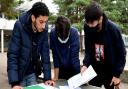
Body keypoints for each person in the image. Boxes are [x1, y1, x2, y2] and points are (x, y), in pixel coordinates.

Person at [7, 2, 54, 89]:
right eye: (41, 21)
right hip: (19, 74)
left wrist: (47, 78)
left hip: (33, 73)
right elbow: (12, 55)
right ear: (33, 18)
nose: (44, 26)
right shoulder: (19, 26)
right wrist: (14, 82)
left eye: (45, 22)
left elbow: (45, 55)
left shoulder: (44, 29)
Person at [81, 2, 126, 89]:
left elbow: (122, 53)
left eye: (92, 23)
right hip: (94, 69)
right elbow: (89, 49)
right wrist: (85, 64)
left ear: (100, 18)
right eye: (88, 23)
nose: (90, 26)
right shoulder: (87, 27)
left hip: (109, 69)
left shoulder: (113, 29)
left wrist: (117, 74)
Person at [50, 16, 80, 81]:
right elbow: (55, 56)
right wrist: (56, 77)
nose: (63, 39)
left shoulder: (74, 33)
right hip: (61, 70)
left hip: (73, 70)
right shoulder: (53, 34)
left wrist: (80, 77)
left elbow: (74, 58)